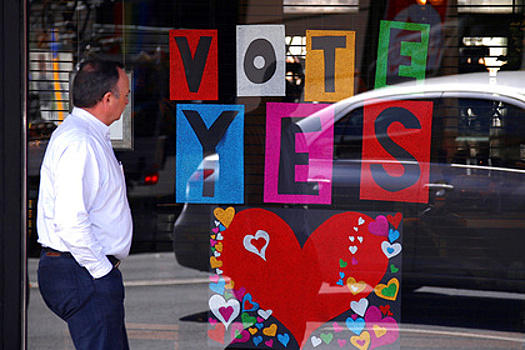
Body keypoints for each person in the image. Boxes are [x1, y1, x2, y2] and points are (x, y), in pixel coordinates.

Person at [37, 59, 133, 350]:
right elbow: (70, 221)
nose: (128, 102)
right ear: (107, 98)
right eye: (126, 95)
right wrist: (102, 272)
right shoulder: (81, 142)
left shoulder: (86, 135)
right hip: (81, 271)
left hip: (81, 270)